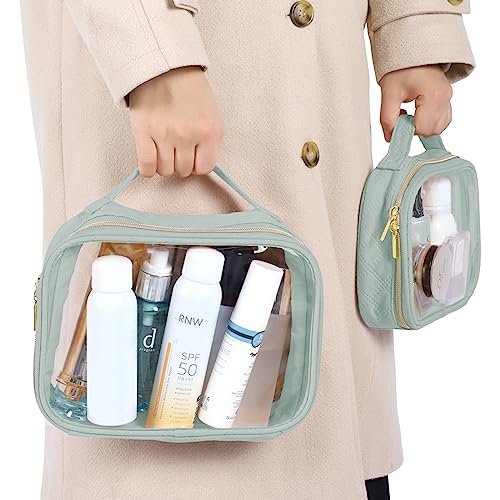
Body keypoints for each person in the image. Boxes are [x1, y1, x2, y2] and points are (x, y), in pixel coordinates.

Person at [21, 1, 474, 498]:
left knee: (326, 418)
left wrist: (413, 23)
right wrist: (152, 55)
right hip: (170, 79)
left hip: (322, 78)